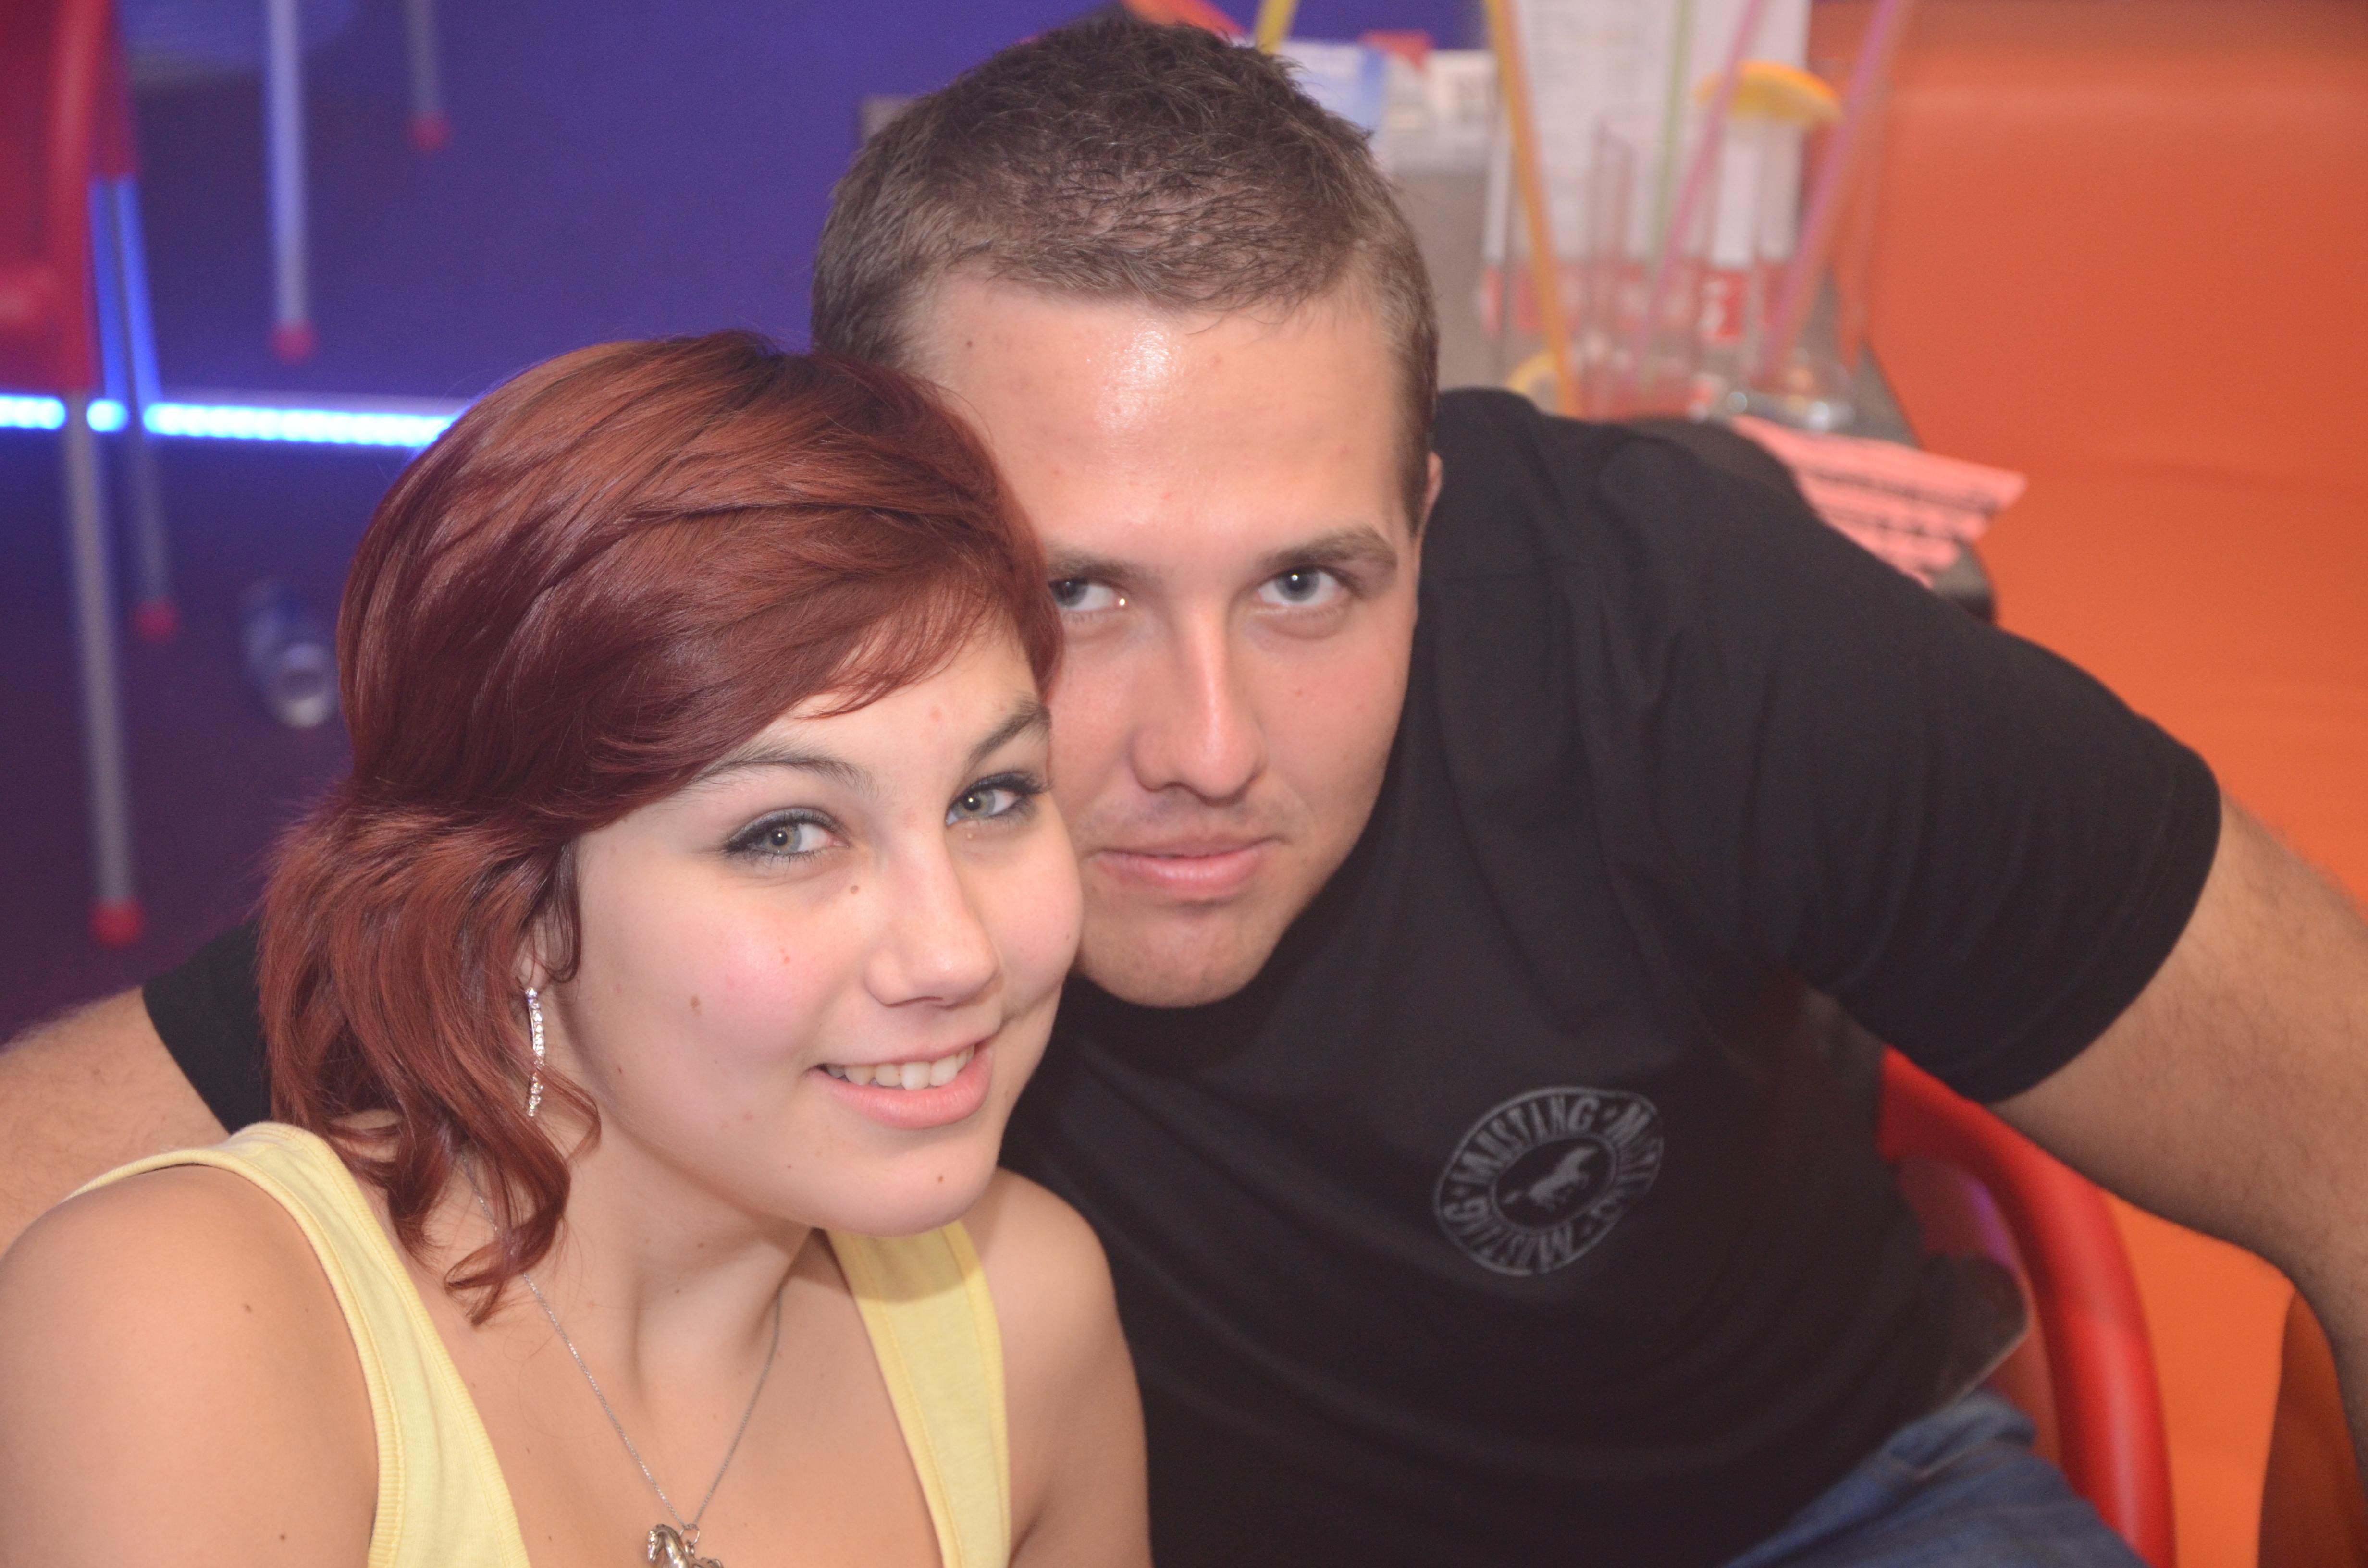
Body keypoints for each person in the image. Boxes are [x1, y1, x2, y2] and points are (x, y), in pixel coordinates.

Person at [4, 20, 2366, 1568]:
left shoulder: (1686, 635)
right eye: (1077, 593)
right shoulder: (704, 814)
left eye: (1312, 584)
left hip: (1797, 1515)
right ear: (862, 525)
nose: (1207, 744)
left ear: (1430, 522)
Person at [0, 335, 1150, 1568]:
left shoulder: (1025, 1315)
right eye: (784, 833)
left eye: (990, 797)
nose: (955, 953)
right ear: (512, 906)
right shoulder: (187, 1328)